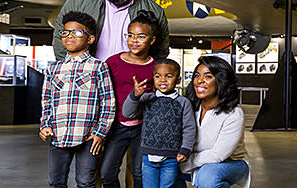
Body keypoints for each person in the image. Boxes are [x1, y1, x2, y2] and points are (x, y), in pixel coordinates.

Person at [39, 11, 116, 188]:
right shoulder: (53, 68)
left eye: (77, 32)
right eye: (65, 32)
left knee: (85, 181)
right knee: (55, 181)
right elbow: (47, 101)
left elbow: (108, 103)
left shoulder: (98, 67)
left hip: (88, 137)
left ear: (90, 39)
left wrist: (100, 132)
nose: (69, 36)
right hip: (58, 136)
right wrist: (45, 125)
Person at [100, 10, 162, 188]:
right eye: (130, 35)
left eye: (141, 36)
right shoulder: (113, 62)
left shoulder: (156, 66)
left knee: (139, 174)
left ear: (152, 40)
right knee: (107, 173)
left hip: (142, 128)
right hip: (116, 126)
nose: (134, 40)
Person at [122, 59, 195, 188]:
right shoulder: (147, 98)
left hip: (171, 157)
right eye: (158, 76)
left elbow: (189, 127)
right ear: (153, 78)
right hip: (148, 156)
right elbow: (128, 113)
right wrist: (134, 96)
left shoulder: (183, 102)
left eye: (168, 76)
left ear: (178, 79)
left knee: (167, 186)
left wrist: (185, 149)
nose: (162, 80)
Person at [179, 56, 249, 188]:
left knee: (207, 176)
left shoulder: (234, 114)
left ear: (220, 81)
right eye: (197, 75)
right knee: (162, 167)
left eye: (208, 77)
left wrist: (185, 163)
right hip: (194, 160)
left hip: (230, 163)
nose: (199, 81)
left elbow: (218, 155)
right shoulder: (189, 107)